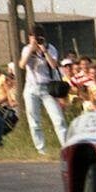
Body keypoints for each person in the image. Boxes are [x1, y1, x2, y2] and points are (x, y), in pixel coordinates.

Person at [19, 25, 68, 154]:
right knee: (34, 120)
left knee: (58, 119)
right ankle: (41, 149)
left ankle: (66, 147)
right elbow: (22, 65)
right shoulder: (26, 49)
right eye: (32, 37)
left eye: (38, 38)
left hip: (47, 88)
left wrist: (44, 51)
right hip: (31, 88)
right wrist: (31, 49)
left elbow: (54, 65)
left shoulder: (50, 48)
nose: (35, 40)